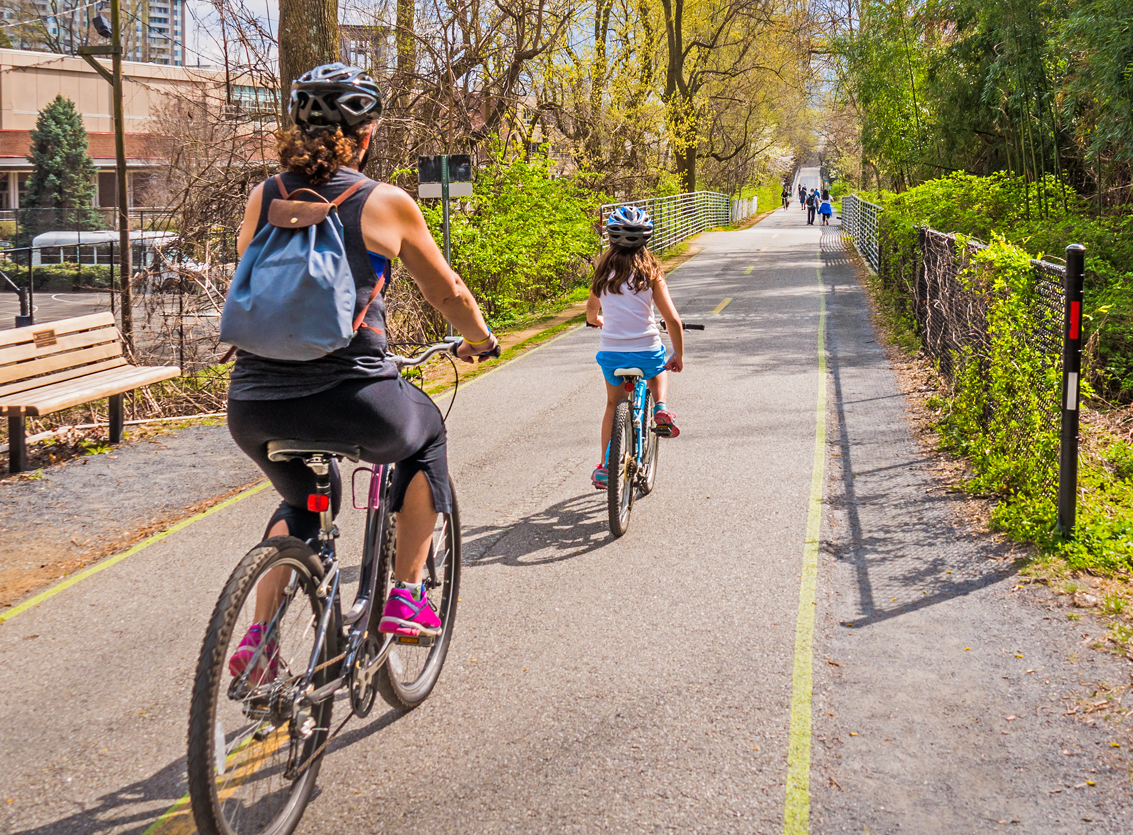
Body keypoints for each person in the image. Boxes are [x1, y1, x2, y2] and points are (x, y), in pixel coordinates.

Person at [225, 63, 499, 675]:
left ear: (295, 128)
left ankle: (255, 642)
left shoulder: (263, 196)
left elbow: (257, 284)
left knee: (302, 502)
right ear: (367, 134)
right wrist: (479, 339)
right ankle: (404, 596)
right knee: (426, 435)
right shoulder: (385, 202)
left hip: (254, 402)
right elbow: (446, 291)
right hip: (354, 396)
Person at [585, 207, 684, 489]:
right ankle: (661, 408)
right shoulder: (651, 273)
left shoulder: (602, 275)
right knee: (659, 366)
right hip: (647, 350)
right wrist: (678, 354)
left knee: (612, 404)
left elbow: (591, 312)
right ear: (646, 240)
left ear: (611, 239)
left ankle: (605, 467)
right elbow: (672, 320)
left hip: (612, 354)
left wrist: (597, 320)